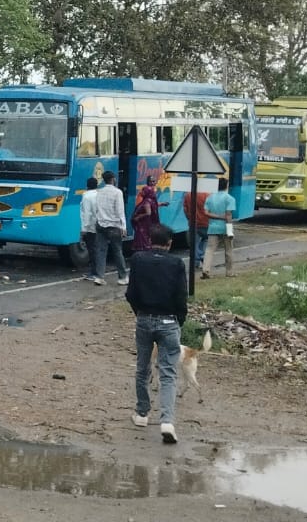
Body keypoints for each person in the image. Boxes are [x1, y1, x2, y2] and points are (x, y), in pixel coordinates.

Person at [125, 225, 187, 445]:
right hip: (169, 321)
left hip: (144, 319)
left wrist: (139, 313)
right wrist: (179, 320)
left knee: (142, 367)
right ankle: (167, 421)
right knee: (168, 372)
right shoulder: (177, 263)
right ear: (170, 243)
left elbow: (130, 293)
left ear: (150, 240)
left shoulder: (138, 260)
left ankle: (142, 414)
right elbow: (181, 297)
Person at [86, 171, 129, 285]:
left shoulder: (99, 192)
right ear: (113, 179)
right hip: (114, 226)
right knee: (117, 251)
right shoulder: (117, 192)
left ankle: (99, 277)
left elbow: (96, 209)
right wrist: (123, 226)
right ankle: (123, 277)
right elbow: (120, 211)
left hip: (100, 225)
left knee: (101, 251)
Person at [202, 177, 236, 278]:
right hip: (225, 227)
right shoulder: (230, 198)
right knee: (228, 250)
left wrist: (217, 217)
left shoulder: (210, 197)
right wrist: (230, 231)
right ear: (227, 186)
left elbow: (206, 213)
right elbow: (228, 215)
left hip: (212, 227)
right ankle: (229, 272)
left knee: (209, 249)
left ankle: (206, 270)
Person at [130, 176, 161, 252]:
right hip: (148, 224)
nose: (142, 193)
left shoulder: (147, 201)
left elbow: (148, 213)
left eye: (144, 192)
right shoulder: (151, 199)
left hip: (144, 224)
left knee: (143, 239)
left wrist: (138, 216)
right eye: (151, 181)